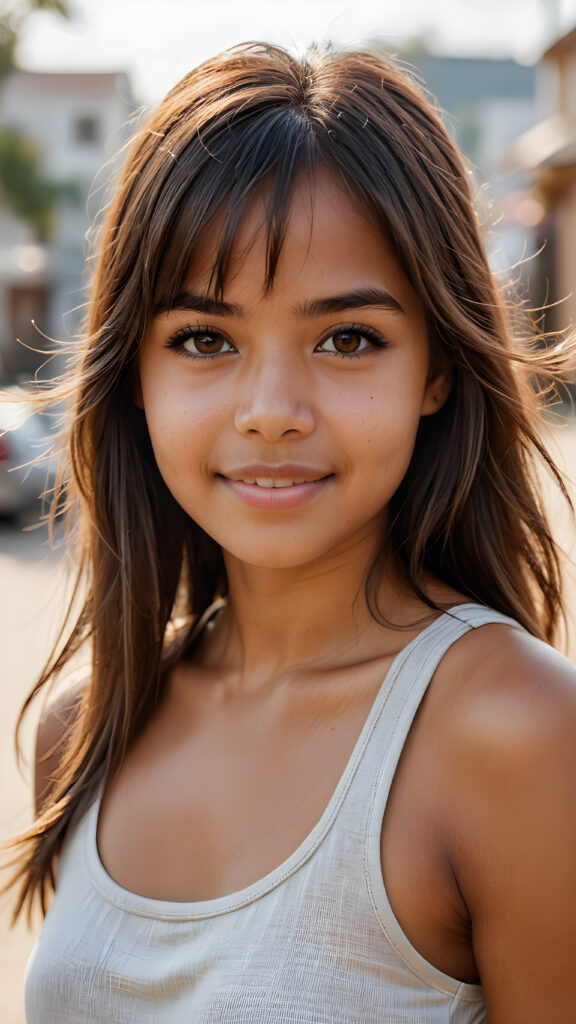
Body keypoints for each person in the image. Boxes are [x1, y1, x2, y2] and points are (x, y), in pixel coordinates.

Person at [5, 40, 576, 1023]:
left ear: (436, 368)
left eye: (347, 338)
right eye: (205, 339)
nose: (273, 409)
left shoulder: (520, 736)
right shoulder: (86, 726)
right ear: (134, 374)